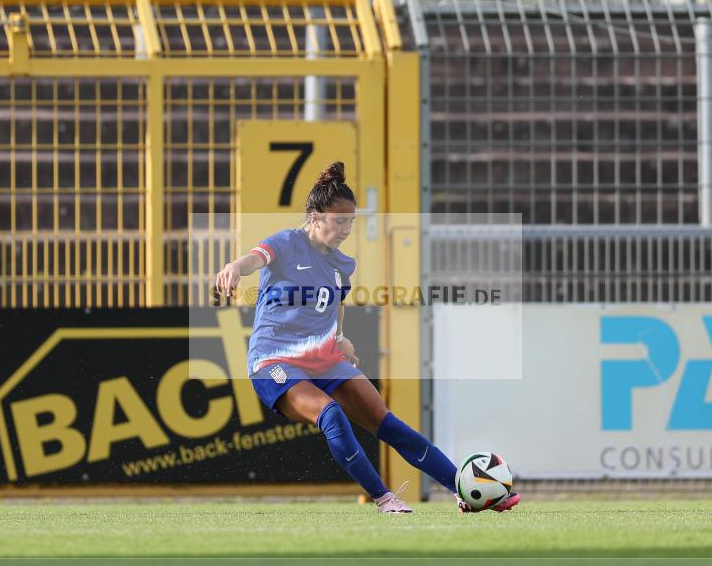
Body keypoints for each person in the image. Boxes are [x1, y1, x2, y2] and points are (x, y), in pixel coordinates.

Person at [215, 161, 520, 514]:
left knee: (388, 424)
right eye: (339, 220)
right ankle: (383, 497)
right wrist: (235, 268)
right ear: (315, 217)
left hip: (325, 357)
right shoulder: (285, 243)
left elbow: (335, 304)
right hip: (273, 361)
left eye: (351, 221)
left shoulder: (342, 264)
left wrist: (340, 336)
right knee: (330, 414)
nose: (346, 229)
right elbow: (255, 259)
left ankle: (463, 488)